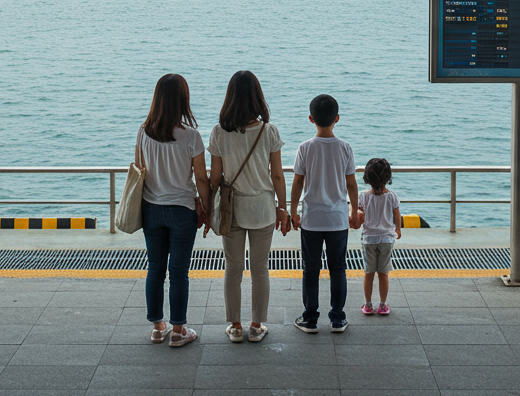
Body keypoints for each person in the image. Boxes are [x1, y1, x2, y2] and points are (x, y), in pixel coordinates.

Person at [206, 70, 289, 343]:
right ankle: (256, 326)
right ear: (257, 97)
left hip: (232, 211)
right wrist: (283, 208)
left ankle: (236, 326)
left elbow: (215, 178)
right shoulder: (269, 131)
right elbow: (277, 175)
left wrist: (208, 210)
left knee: (232, 269)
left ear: (229, 97)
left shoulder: (219, 133)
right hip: (263, 207)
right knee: (260, 269)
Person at [138, 73, 209, 348]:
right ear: (183, 100)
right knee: (179, 272)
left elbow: (140, 169)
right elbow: (201, 179)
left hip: (151, 209)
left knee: (155, 267)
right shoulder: (191, 136)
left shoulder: (143, 131)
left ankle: (158, 327)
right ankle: (179, 330)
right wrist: (207, 208)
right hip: (181, 210)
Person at [289, 93, 360, 334]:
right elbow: (351, 184)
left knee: (311, 269)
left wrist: (292, 210)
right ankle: (338, 318)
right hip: (338, 219)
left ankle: (310, 318)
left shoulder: (305, 148)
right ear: (337, 118)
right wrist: (354, 209)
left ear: (311, 119)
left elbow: (298, 182)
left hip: (312, 219)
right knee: (338, 268)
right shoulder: (345, 148)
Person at [357, 157, 401, 316]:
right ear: (388, 177)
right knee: (383, 273)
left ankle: (368, 305)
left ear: (367, 178)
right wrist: (398, 229)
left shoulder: (363, 196)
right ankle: (383, 305)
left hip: (369, 239)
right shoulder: (392, 197)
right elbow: (397, 215)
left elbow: (358, 214)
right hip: (386, 239)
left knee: (369, 273)